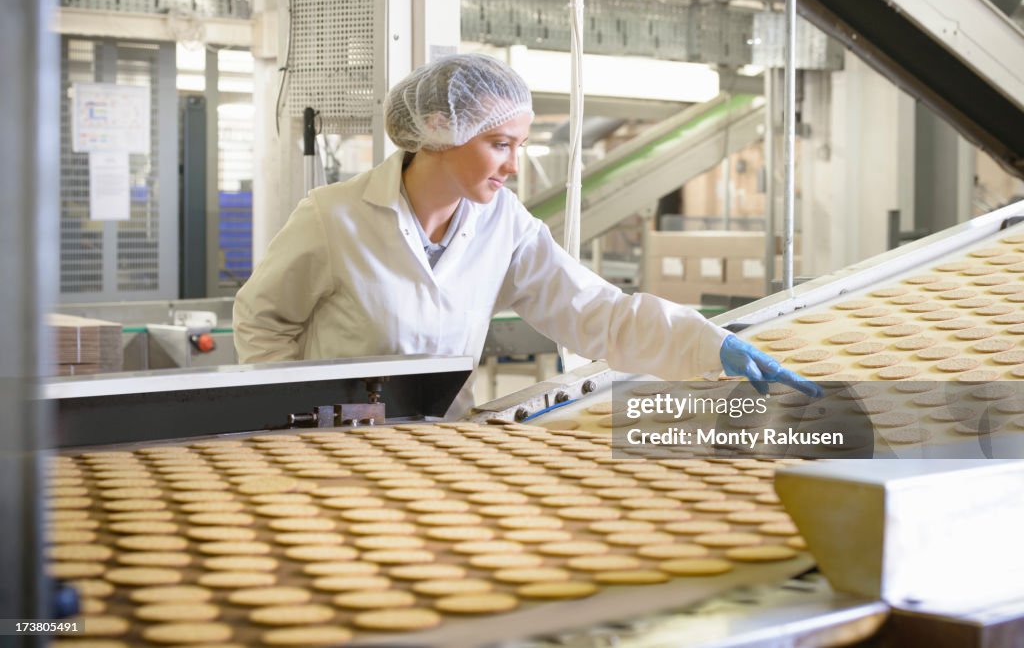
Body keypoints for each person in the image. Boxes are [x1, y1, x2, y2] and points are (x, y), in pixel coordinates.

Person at [234, 53, 820, 418]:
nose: (514, 165)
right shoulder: (335, 216)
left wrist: (705, 344)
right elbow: (263, 320)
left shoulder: (503, 222)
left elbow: (597, 313)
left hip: (439, 448)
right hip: (328, 453)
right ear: (440, 131)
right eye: (500, 145)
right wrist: (288, 417)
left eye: (519, 145)